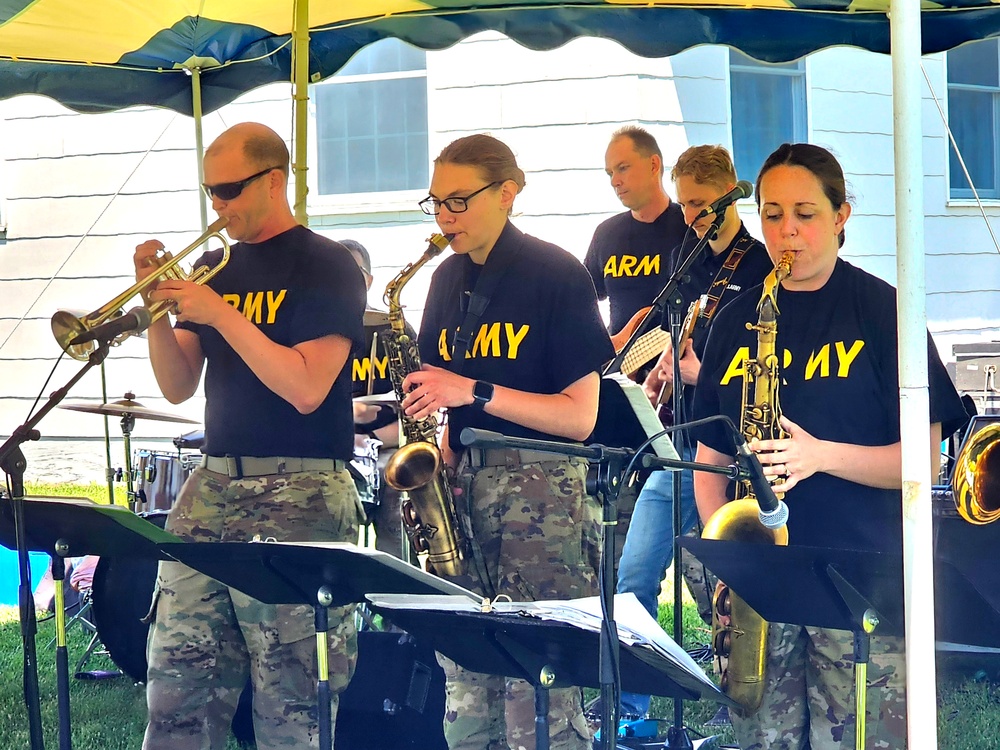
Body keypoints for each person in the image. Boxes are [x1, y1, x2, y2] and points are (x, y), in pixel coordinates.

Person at [690, 142, 967, 749]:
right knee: (763, 738)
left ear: (842, 216)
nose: (786, 231)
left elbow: (927, 461)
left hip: (862, 581)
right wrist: (727, 559)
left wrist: (820, 456)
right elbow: (709, 456)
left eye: (805, 213)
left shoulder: (883, 309)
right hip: (761, 584)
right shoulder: (736, 319)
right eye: (771, 213)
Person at [135, 122, 367, 749]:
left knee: (292, 698)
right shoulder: (215, 267)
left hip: (303, 489)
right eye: (211, 191)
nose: (219, 206)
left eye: (231, 189)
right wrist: (158, 314)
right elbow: (178, 385)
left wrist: (222, 314)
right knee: (177, 682)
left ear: (273, 180)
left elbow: (306, 387)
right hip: (213, 484)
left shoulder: (327, 265)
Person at [400, 133, 614, 750]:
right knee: (465, 690)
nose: (443, 217)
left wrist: (475, 391)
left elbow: (580, 418)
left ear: (508, 195)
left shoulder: (557, 274)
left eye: (458, 201)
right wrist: (439, 454)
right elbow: (446, 400)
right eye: (435, 202)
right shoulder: (443, 280)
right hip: (465, 494)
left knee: (540, 695)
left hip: (543, 500)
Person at [615, 144, 774, 719]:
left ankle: (747, 694)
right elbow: (679, 335)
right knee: (633, 574)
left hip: (734, 448)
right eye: (684, 205)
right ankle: (636, 709)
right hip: (678, 442)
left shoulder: (761, 266)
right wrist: (664, 368)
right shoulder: (687, 258)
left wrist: (699, 374)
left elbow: (763, 374)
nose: (691, 217)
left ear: (731, 193)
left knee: (728, 588)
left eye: (702, 205)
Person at [341, 237, 413, 561]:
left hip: (387, 447)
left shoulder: (394, 331)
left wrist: (370, 437)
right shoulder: (310, 331)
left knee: (399, 491)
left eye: (350, 271)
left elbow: (419, 412)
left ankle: (395, 594)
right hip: (335, 449)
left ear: (369, 280)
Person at [585, 125, 689, 337]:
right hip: (619, 365)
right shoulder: (606, 234)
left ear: (653, 165)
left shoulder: (690, 227)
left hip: (678, 364)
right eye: (610, 173)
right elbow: (580, 300)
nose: (615, 181)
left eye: (622, 168)